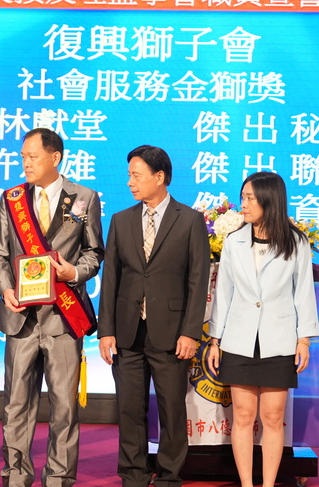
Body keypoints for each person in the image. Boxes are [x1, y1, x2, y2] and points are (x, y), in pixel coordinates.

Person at [0, 128, 104, 487]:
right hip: (20, 318)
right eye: (23, 156)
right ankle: (16, 476)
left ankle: (59, 478)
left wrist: (74, 272)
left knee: (64, 407)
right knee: (16, 405)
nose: (26, 163)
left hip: (64, 319)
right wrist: (6, 289)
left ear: (55, 158)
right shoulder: (12, 199)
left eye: (32, 157)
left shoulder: (84, 198)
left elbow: (94, 252)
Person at [98, 145, 210, 487]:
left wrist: (191, 332)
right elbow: (111, 278)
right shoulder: (121, 220)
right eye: (129, 175)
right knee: (129, 409)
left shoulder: (189, 220)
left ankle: (169, 477)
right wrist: (106, 330)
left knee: (171, 410)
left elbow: (198, 280)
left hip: (172, 333)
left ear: (159, 177)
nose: (130, 182)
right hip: (128, 332)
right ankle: (133, 475)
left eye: (136, 175)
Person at [206, 171, 319, 487]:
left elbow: (303, 292)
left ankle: (268, 484)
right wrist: (215, 340)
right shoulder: (234, 241)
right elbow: (224, 293)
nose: (243, 204)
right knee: (242, 416)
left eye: (249, 198)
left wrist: (304, 339)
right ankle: (247, 483)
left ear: (269, 200)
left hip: (278, 340)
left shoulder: (296, 241)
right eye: (242, 197)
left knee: (272, 418)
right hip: (239, 339)